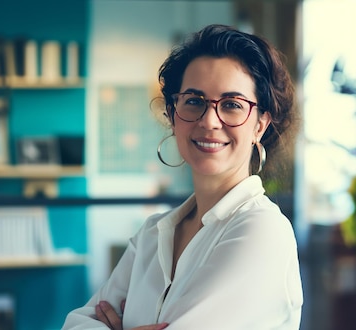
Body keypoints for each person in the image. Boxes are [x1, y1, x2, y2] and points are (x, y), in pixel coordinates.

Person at [62, 24, 303, 330]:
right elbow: (74, 325)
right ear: (173, 115)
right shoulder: (151, 235)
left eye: (231, 105)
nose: (209, 121)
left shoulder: (262, 231)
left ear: (260, 124)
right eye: (194, 101)